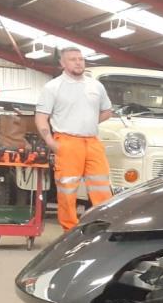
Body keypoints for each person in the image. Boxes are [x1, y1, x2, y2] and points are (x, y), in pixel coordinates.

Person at [35, 47, 114, 230]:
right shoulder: (53, 87)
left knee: (102, 187)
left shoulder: (96, 86)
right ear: (62, 63)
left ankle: (105, 227)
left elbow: (107, 111)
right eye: (72, 59)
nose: (78, 62)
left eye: (81, 59)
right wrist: (50, 141)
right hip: (67, 142)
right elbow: (41, 117)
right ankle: (69, 231)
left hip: (92, 141)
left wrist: (87, 123)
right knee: (67, 190)